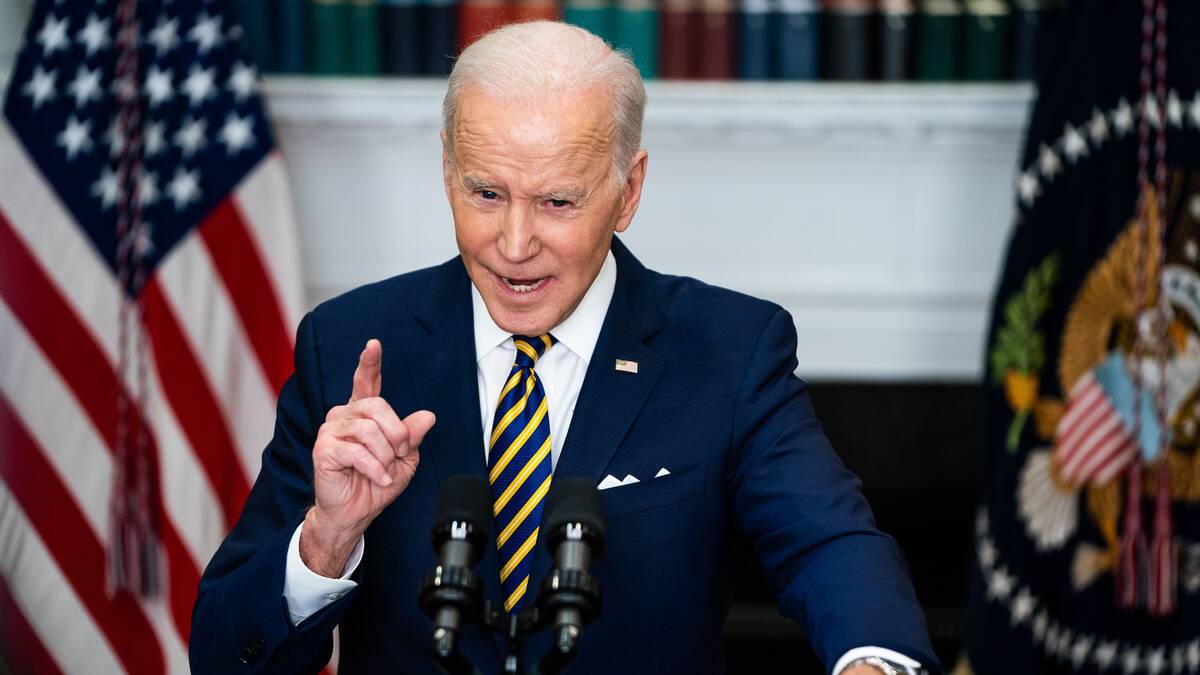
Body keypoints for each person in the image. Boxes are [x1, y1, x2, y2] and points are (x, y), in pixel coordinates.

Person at [189, 21, 939, 675]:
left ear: (629, 190)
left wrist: (873, 660)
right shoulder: (348, 346)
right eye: (485, 194)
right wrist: (327, 537)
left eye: (557, 201)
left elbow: (831, 545)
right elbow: (225, 656)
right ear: (447, 169)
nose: (515, 245)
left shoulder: (730, 351)